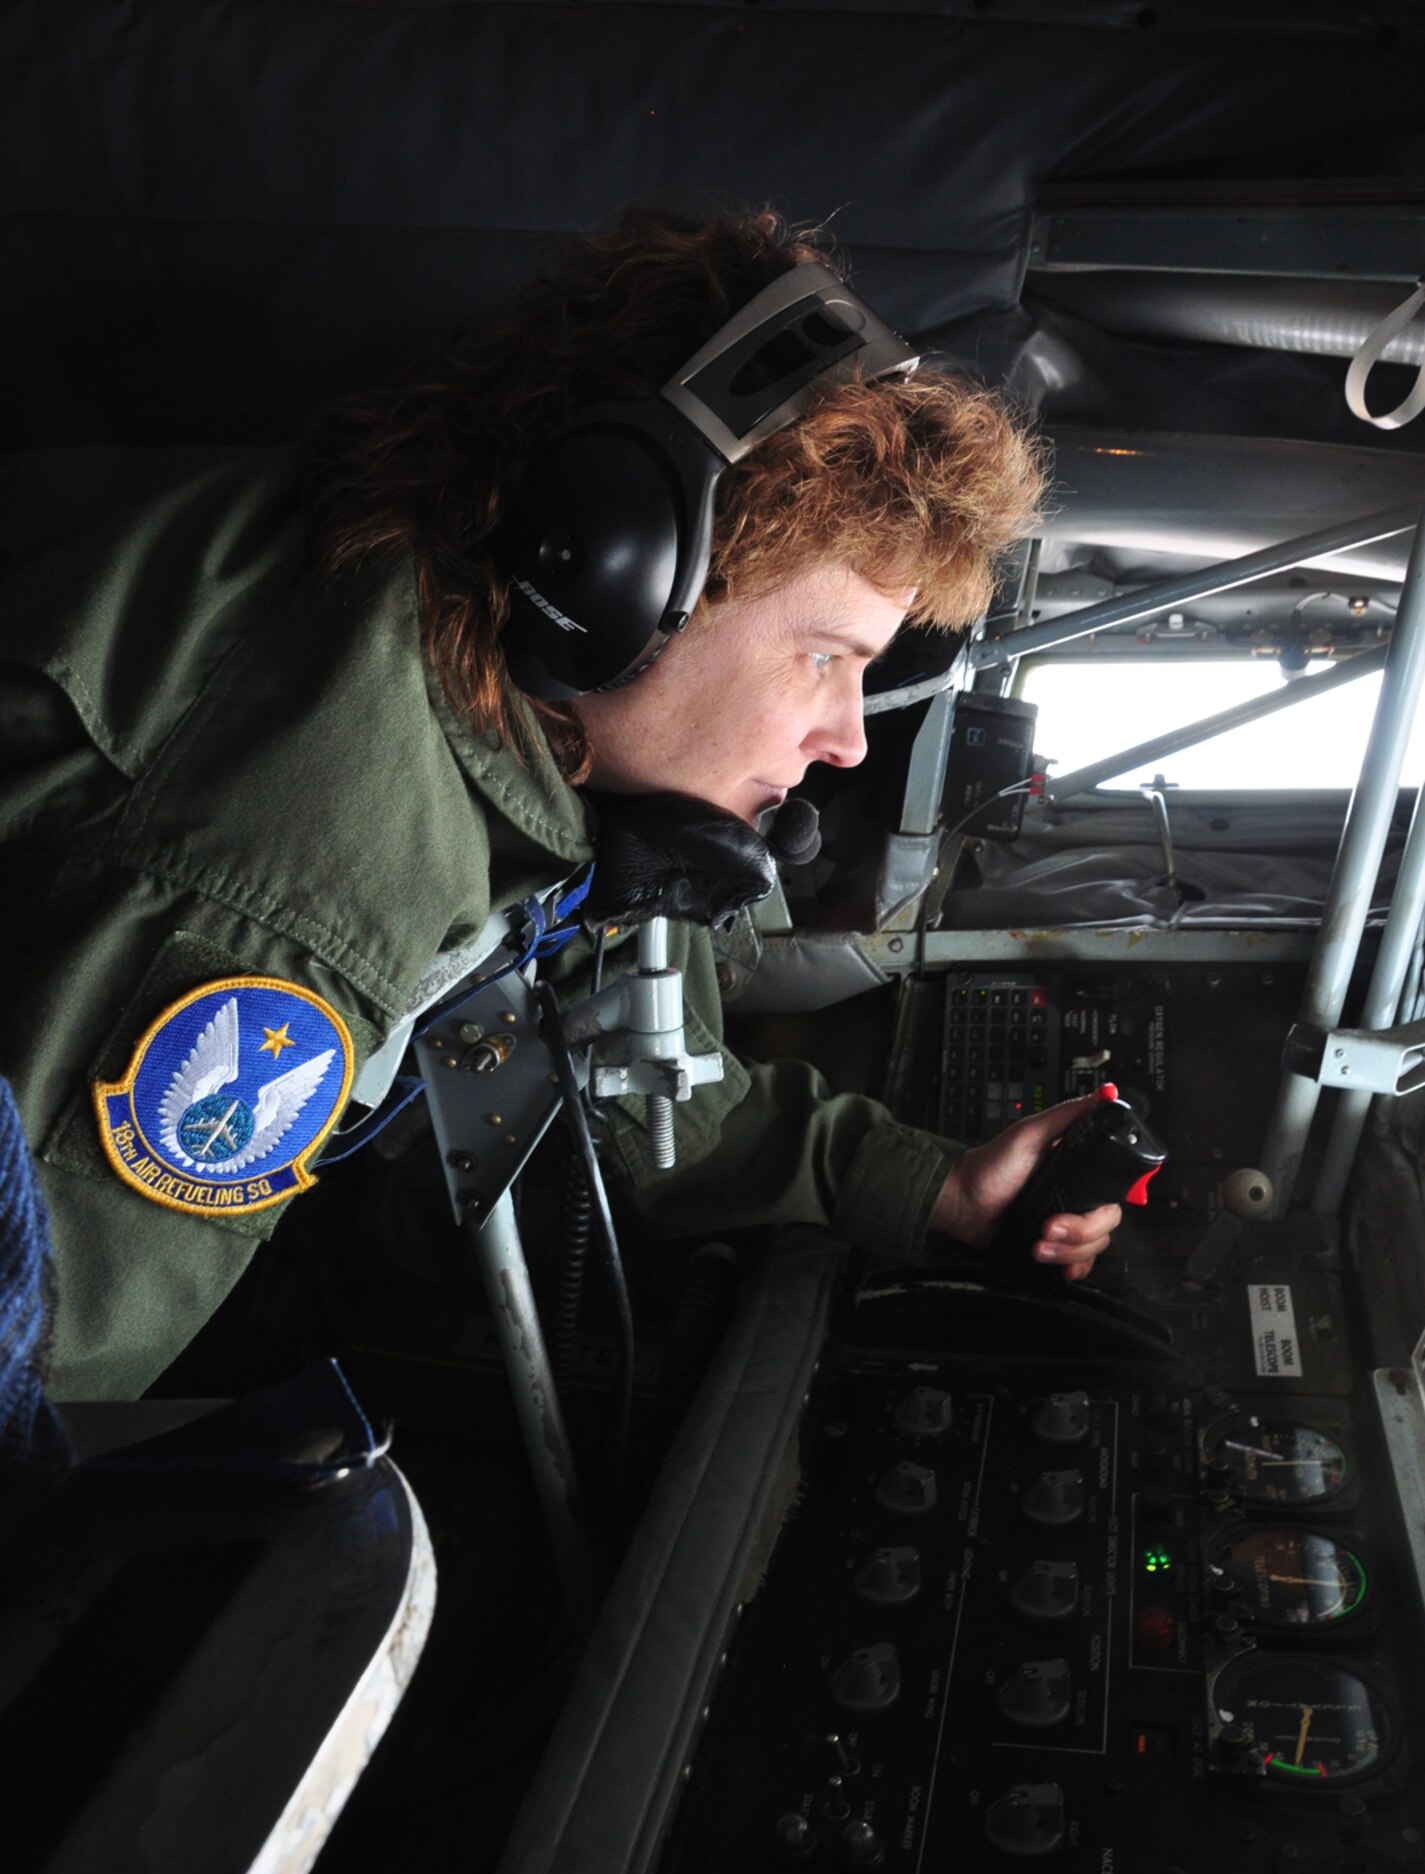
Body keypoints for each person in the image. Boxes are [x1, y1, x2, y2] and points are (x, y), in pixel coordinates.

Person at [0, 206, 1120, 1402]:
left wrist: (936, 1190)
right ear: (617, 566)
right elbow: (43, 1370)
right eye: (822, 657)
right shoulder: (309, 865)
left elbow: (669, 1095)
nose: (846, 737)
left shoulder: (506, 707)